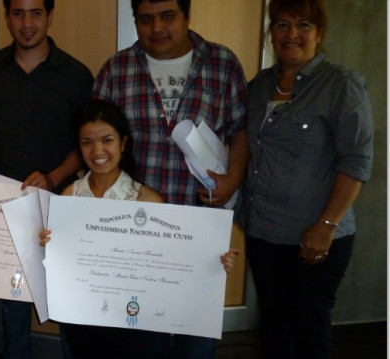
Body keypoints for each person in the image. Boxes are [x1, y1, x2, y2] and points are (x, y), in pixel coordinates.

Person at [93, 0, 250, 357]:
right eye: (146, 20)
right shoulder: (117, 69)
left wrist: (233, 180)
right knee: (144, 335)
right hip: (138, 225)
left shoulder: (222, 63)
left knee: (195, 337)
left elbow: (241, 130)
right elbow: (98, 140)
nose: (157, 28)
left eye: (167, 17)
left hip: (200, 222)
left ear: (186, 15)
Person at [38, 99, 240, 359]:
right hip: (82, 319)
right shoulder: (68, 197)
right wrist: (45, 244)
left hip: (137, 325)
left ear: (123, 143)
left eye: (107, 140)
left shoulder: (148, 201)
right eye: (87, 142)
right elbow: (59, 263)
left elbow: (173, 261)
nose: (97, 150)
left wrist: (213, 261)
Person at [234, 0, 374, 357]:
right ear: (271, 33)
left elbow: (356, 160)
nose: (291, 34)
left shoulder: (341, 85)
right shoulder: (260, 85)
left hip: (314, 238)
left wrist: (326, 224)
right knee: (274, 328)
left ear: (320, 33)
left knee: (309, 329)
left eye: (303, 25)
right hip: (264, 231)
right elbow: (246, 144)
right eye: (281, 25)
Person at [0, 0, 94, 358]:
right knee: (14, 299)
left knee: (67, 292)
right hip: (8, 205)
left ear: (50, 16)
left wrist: (54, 176)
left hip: (62, 201)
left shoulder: (76, 74)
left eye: (36, 13)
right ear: (7, 17)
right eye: (17, 13)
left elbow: (85, 142)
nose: (26, 23)